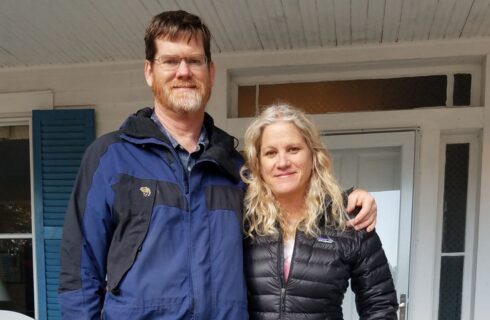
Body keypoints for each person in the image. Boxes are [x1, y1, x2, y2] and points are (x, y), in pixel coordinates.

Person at [58, 10, 378, 320]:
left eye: (194, 61)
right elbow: (79, 272)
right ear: (149, 71)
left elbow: (292, 203)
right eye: (170, 61)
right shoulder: (111, 158)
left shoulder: (236, 169)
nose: (183, 72)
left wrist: (346, 198)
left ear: (210, 72)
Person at [241, 104, 398, 319]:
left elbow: (380, 306)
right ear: (258, 163)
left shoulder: (348, 220)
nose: (283, 162)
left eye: (293, 149)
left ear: (313, 155)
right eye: (270, 152)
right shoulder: (241, 220)